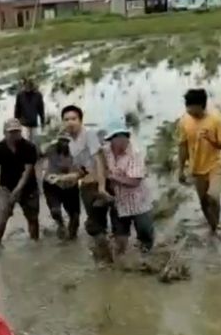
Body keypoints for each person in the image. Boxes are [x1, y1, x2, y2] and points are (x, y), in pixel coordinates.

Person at [60, 105, 117, 257]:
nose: (70, 122)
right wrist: (67, 178)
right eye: (66, 120)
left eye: (73, 119)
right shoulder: (71, 144)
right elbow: (83, 169)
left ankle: (108, 258)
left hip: (98, 183)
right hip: (86, 186)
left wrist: (102, 186)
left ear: (80, 120)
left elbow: (99, 160)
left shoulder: (89, 135)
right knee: (97, 224)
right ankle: (107, 257)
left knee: (94, 225)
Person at [0, 118, 39, 246]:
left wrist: (18, 190)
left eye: (17, 131)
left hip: (28, 187)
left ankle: (35, 244)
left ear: (21, 132)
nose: (14, 134)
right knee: (2, 217)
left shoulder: (29, 147)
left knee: (32, 218)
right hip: (6, 187)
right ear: (4, 132)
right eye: (11, 132)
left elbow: (27, 171)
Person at [178, 88, 221, 236]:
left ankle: (216, 225)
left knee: (213, 197)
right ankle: (213, 227)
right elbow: (182, 146)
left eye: (192, 107)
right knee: (203, 202)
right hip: (196, 168)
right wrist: (181, 169)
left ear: (201, 105)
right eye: (187, 107)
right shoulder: (184, 121)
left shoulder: (215, 119)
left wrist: (211, 140)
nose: (189, 110)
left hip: (215, 164)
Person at [101, 116, 154, 254]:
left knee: (145, 236)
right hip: (118, 202)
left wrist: (112, 176)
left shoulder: (136, 152)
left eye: (124, 136)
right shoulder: (105, 151)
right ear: (111, 139)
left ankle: (145, 259)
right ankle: (120, 267)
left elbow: (134, 181)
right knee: (120, 239)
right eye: (117, 137)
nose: (122, 140)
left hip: (139, 203)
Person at [41, 131, 82, 240]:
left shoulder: (77, 151)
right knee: (55, 211)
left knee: (75, 217)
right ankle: (60, 224)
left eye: (66, 141)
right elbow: (37, 155)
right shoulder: (50, 149)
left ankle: (71, 243)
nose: (64, 144)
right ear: (58, 141)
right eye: (62, 140)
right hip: (52, 185)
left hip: (70, 185)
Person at [14, 78, 46, 145]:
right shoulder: (20, 95)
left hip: (34, 123)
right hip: (24, 124)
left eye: (29, 86)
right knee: (25, 142)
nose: (27, 88)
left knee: (34, 143)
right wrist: (16, 122)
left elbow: (41, 109)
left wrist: (43, 122)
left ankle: (35, 153)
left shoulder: (38, 95)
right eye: (26, 86)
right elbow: (17, 109)